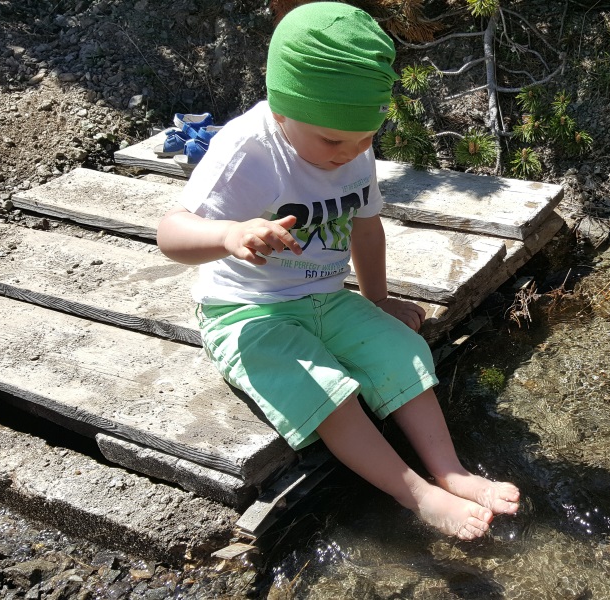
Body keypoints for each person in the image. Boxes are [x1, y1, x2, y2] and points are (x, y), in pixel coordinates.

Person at [156, 1, 520, 540]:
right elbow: (171, 233)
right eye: (332, 142)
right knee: (326, 392)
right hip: (246, 312)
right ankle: (415, 493)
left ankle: (452, 471)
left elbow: (366, 228)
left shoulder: (351, 146)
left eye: (365, 138)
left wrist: (377, 302)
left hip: (326, 298)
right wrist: (228, 235)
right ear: (283, 108)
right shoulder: (249, 151)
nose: (349, 154)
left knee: (405, 350)